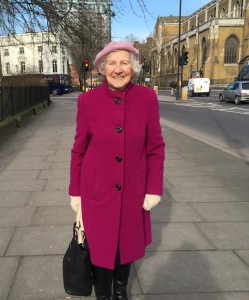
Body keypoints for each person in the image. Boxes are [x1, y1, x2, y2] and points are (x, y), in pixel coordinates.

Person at [69, 41, 165, 300]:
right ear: (102, 68)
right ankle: (103, 294)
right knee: (100, 248)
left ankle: (120, 291)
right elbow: (78, 150)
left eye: (124, 63)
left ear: (133, 68)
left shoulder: (147, 98)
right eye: (112, 63)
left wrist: (153, 189)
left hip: (134, 189)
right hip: (97, 191)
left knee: (125, 247)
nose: (118, 69)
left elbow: (155, 147)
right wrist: (76, 193)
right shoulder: (87, 101)